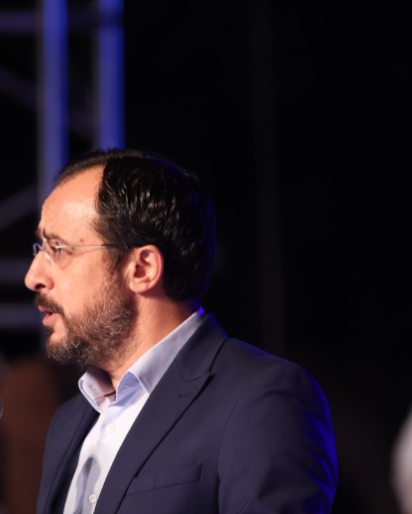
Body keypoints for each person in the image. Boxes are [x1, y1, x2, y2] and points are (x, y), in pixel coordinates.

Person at [24, 149, 338, 513]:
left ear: (142, 269)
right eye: (40, 248)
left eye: (58, 249)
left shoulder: (261, 400)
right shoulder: (68, 421)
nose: (33, 276)